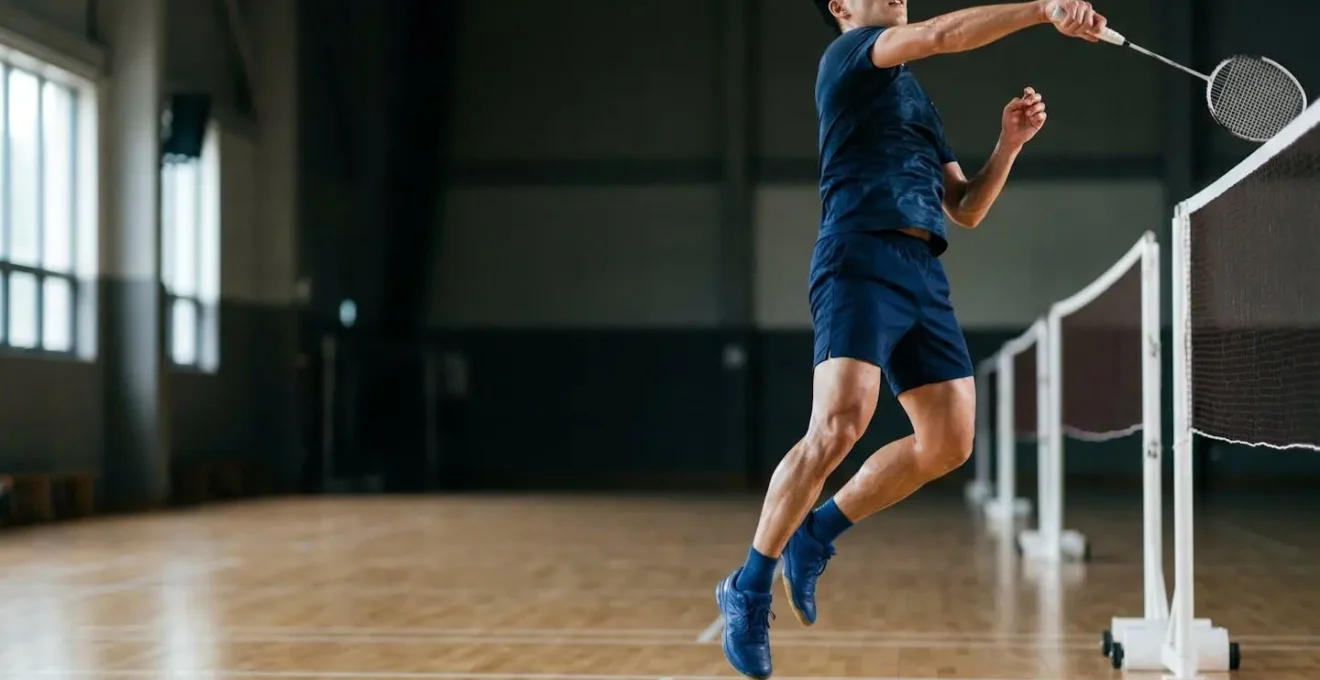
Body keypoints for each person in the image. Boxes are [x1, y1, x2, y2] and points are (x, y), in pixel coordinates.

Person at [714, 1, 1107, 677]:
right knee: (839, 425)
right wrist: (1043, 8)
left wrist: (1009, 144)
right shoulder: (851, 57)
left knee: (949, 441)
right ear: (840, 6)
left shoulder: (914, 98)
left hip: (922, 269)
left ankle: (817, 533)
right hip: (858, 255)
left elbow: (968, 208)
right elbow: (943, 34)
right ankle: (748, 589)